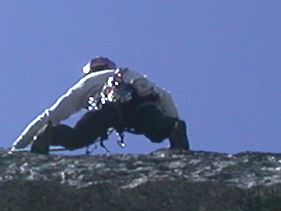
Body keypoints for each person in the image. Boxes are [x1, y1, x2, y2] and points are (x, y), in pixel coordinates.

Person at [13, 57, 190, 153]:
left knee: (77, 139)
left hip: (107, 109)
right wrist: (173, 119)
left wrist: (19, 146)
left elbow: (52, 114)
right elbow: (164, 95)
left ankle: (50, 134)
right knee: (156, 131)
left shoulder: (86, 83)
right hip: (142, 107)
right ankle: (172, 128)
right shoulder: (130, 74)